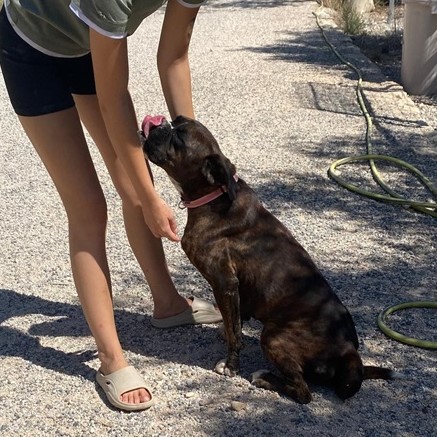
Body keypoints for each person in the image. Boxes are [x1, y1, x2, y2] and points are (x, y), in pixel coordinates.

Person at [0, 0, 222, 412]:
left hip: (87, 45)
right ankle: (111, 359)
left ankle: (168, 304)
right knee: (88, 208)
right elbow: (113, 97)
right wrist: (152, 200)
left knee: (138, 186)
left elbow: (174, 58)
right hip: (31, 49)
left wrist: (195, 157)